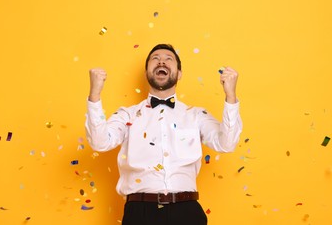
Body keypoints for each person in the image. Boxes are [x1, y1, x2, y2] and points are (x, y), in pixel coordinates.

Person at [85, 44, 242, 225]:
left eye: (169, 59)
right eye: (155, 58)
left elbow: (227, 144)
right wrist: (94, 96)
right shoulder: (127, 114)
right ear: (146, 73)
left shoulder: (196, 115)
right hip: (139, 213)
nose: (162, 61)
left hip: (187, 212)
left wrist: (231, 96)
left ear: (179, 73)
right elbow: (100, 142)